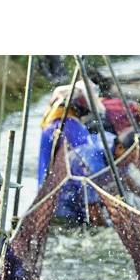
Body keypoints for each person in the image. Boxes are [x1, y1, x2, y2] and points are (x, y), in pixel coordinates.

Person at [38, 82, 117, 224]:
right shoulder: (71, 126)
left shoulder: (51, 123)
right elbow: (86, 167)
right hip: (65, 201)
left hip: (46, 197)